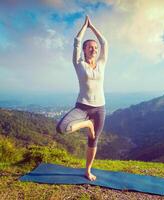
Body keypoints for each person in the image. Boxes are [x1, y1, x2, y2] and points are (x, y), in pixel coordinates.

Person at [56, 15, 108, 181]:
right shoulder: (79, 64)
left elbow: (104, 43)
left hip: (100, 108)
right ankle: (86, 124)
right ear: (84, 50)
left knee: (93, 141)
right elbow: (77, 41)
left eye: (95, 48)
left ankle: (88, 170)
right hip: (82, 107)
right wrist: (85, 26)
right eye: (90, 47)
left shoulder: (101, 64)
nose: (94, 49)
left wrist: (93, 27)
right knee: (61, 128)